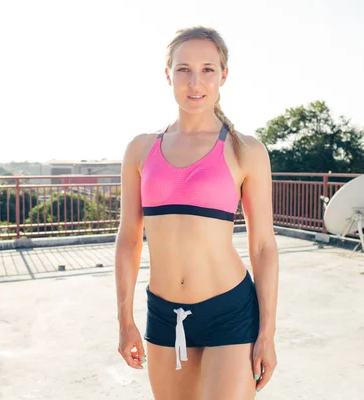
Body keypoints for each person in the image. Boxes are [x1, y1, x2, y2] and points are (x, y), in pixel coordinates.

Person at [115, 26, 279, 399]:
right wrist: (125, 320)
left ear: (223, 75)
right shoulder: (140, 150)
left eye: (207, 69)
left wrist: (267, 333)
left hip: (231, 312)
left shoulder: (246, 151)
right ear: (168, 74)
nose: (195, 82)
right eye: (184, 69)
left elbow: (264, 247)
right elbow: (128, 239)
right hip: (163, 314)